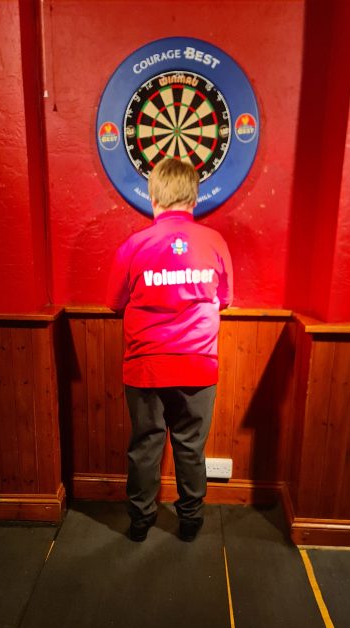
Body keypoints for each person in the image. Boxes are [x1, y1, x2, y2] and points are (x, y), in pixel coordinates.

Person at [106, 158, 233, 542]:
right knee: (190, 447)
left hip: (146, 365)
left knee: (146, 445)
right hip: (197, 364)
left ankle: (141, 523)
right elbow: (224, 299)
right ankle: (191, 522)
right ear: (193, 196)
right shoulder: (215, 243)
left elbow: (115, 302)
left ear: (153, 196)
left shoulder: (134, 246)